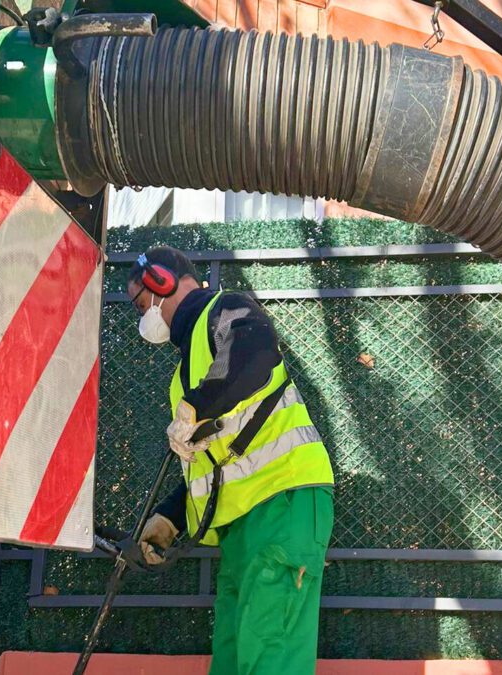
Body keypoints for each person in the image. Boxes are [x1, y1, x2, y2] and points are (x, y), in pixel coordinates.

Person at [126, 245, 335, 675]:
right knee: (233, 657)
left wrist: (197, 406)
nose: (143, 316)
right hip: (241, 526)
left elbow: (253, 359)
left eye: (140, 303)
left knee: (269, 656)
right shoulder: (182, 376)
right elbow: (212, 466)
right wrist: (169, 518)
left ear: (161, 281)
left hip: (283, 501)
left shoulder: (228, 307)